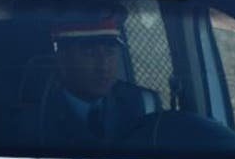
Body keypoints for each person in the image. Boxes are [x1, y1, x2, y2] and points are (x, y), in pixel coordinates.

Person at [30, 9, 159, 143]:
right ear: (62, 60)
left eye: (110, 52)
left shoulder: (142, 104)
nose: (103, 66)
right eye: (90, 53)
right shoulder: (36, 116)